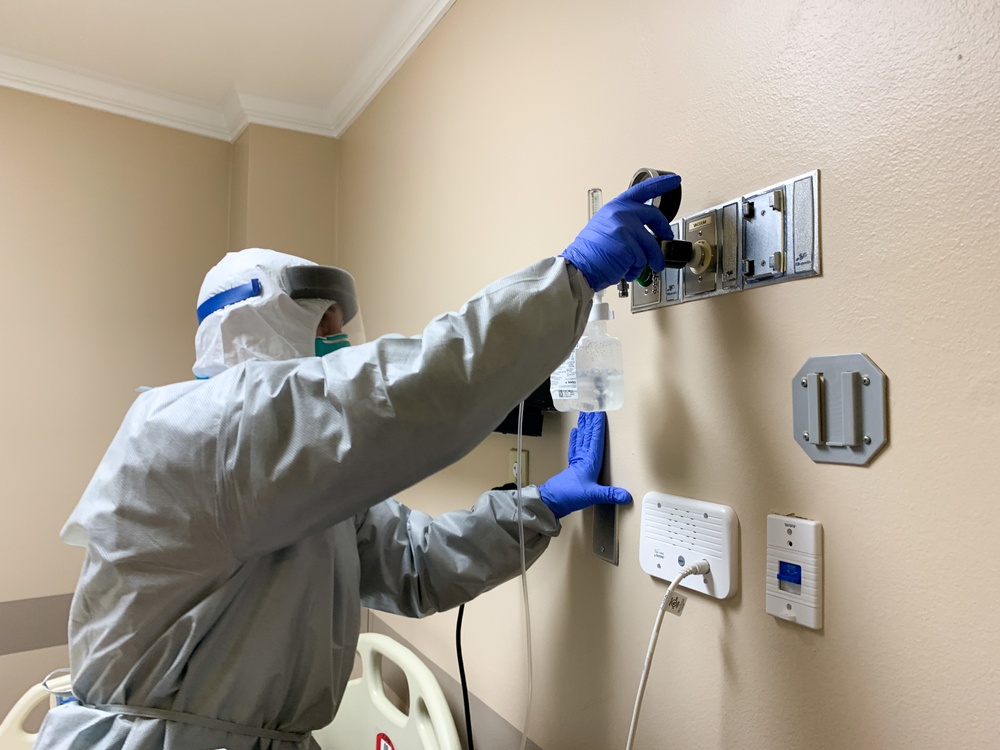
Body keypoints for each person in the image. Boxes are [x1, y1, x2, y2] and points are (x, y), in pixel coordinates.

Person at [34, 173, 681, 749]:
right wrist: (566, 279)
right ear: (256, 327)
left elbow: (416, 564)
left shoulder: (285, 477)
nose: (339, 344)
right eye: (322, 326)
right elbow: (420, 388)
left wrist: (538, 506)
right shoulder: (194, 434)